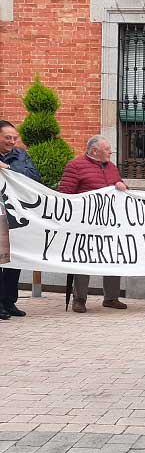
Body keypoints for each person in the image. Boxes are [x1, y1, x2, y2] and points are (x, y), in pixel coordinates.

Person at [59, 135, 129, 314]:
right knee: (83, 259)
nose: (111, 152)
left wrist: (121, 184)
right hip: (85, 223)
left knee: (114, 257)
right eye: (107, 149)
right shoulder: (75, 166)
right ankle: (79, 299)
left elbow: (119, 187)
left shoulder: (112, 167)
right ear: (93, 151)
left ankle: (111, 297)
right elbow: (65, 194)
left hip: (110, 222)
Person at [0, 121, 41, 320]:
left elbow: (34, 177)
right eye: (7, 137)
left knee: (14, 260)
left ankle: (9, 302)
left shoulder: (21, 155)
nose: (12, 141)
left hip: (15, 215)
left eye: (14, 138)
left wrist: (7, 168)